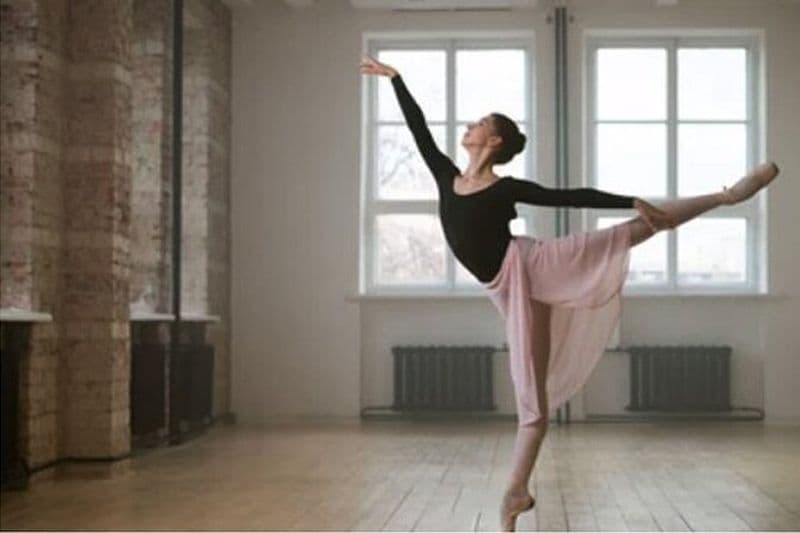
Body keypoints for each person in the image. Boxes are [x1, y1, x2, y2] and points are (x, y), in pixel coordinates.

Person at [359, 54, 779, 531]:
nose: (470, 125)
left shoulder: (505, 188)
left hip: (534, 264)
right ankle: (517, 491)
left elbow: (569, 196)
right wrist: (396, 78)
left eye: (479, 122)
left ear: (493, 140)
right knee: (532, 402)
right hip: (512, 292)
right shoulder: (446, 176)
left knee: (631, 231)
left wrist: (630, 200)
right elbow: (418, 131)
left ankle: (727, 196)